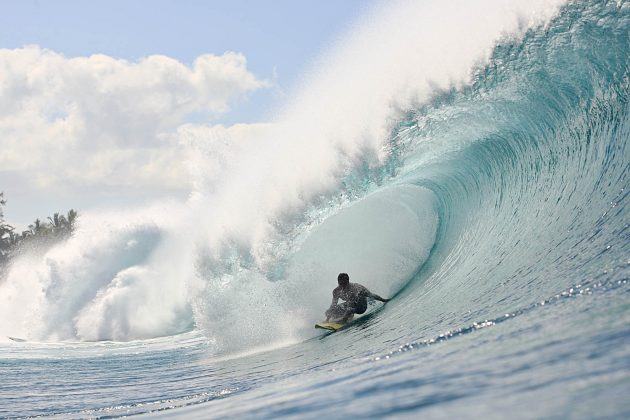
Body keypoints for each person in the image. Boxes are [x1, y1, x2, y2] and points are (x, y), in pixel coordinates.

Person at [325, 273, 390, 323]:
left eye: (344, 283)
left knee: (350, 308)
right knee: (331, 310)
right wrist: (327, 319)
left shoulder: (356, 288)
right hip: (349, 306)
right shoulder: (336, 291)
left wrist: (383, 300)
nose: (342, 286)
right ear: (338, 282)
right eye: (340, 283)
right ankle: (348, 316)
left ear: (347, 281)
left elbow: (371, 295)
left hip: (361, 307)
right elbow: (333, 304)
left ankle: (345, 318)